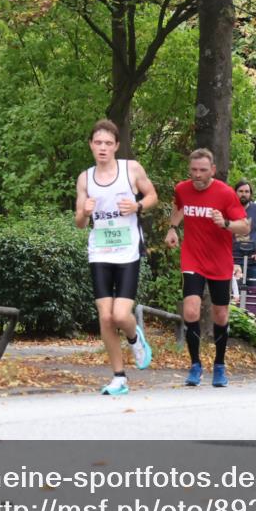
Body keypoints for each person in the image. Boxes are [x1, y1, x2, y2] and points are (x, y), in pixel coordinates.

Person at [75, 119, 157, 395]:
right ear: (90, 145)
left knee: (121, 315)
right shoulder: (85, 178)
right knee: (105, 316)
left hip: (127, 252)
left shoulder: (130, 169)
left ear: (116, 146)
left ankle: (135, 339)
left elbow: (153, 196)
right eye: (98, 143)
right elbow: (79, 223)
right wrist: (84, 212)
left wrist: (137, 205)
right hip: (99, 252)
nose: (102, 148)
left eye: (108, 143)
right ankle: (119, 376)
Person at [165, 148, 250, 387]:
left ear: (212, 170)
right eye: (193, 170)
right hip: (192, 257)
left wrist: (224, 223)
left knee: (220, 314)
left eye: (203, 170)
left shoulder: (225, 194)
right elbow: (179, 206)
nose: (197, 175)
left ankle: (220, 365)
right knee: (191, 310)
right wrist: (173, 228)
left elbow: (244, 227)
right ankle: (195, 365)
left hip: (220, 261)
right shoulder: (182, 188)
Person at [232, 180, 256, 284]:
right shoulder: (229, 209)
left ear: (250, 194)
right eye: (240, 191)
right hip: (234, 260)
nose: (243, 194)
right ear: (235, 192)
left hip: (254, 260)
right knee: (233, 294)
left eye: (246, 191)